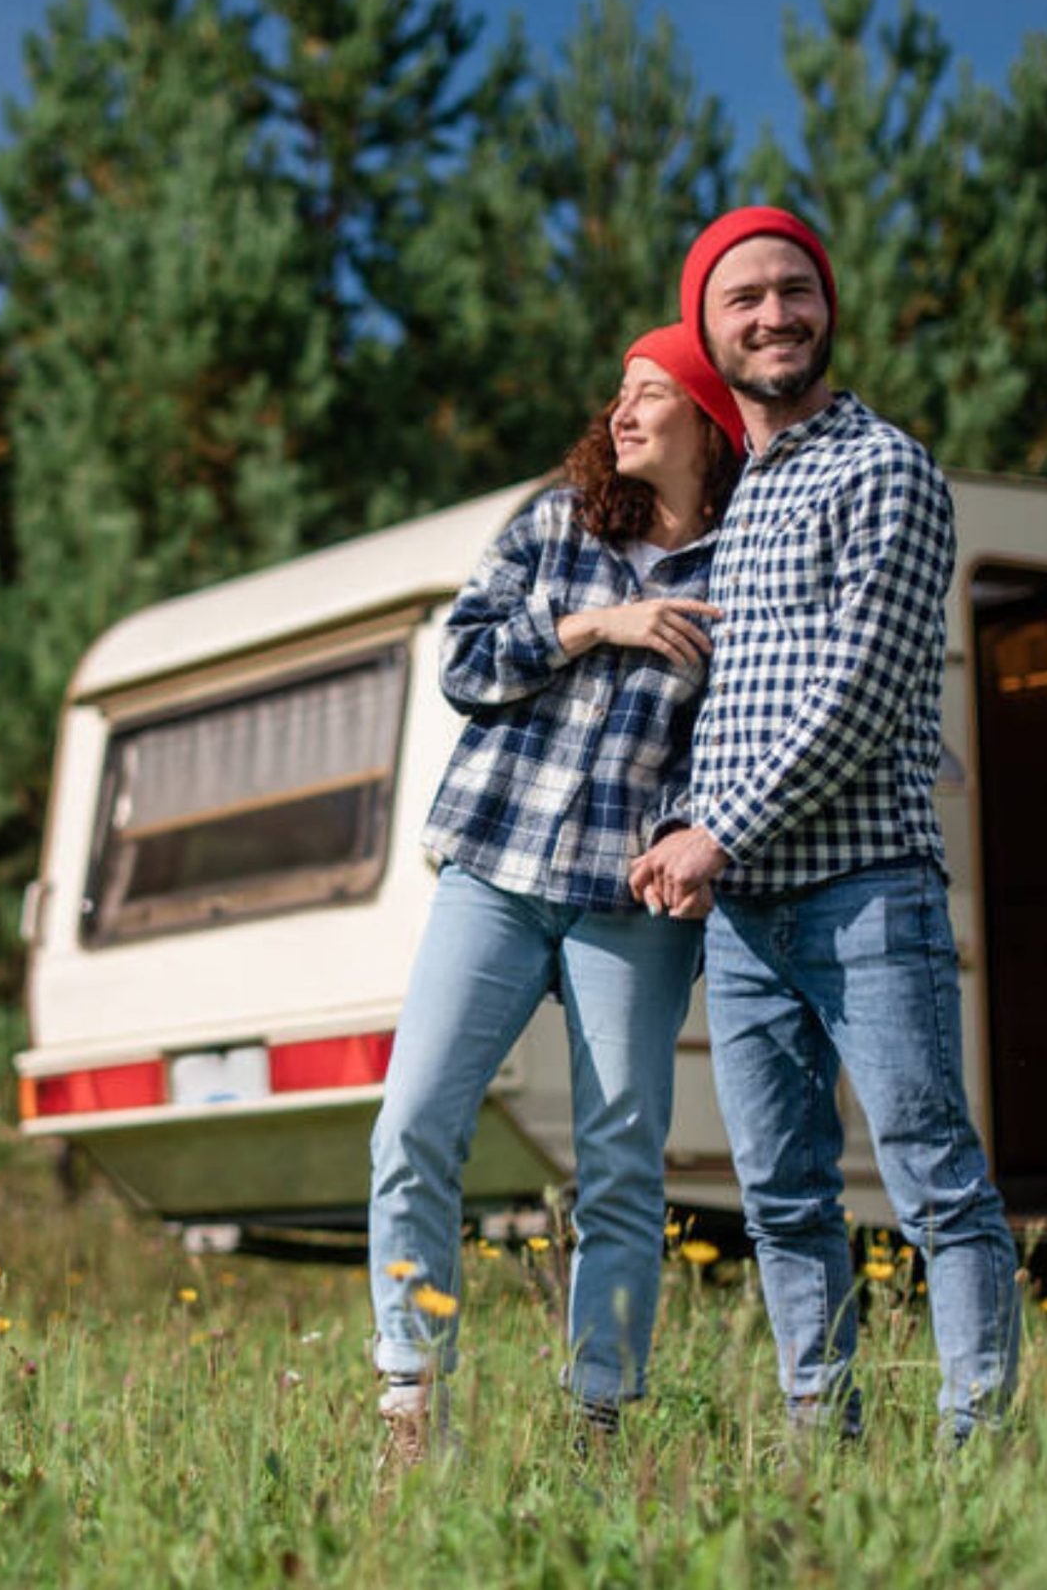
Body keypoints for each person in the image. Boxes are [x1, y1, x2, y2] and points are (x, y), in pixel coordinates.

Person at [630, 207, 1020, 1445]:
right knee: (783, 1203)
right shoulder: (741, 505)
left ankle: (978, 1458)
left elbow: (855, 695)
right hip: (745, 921)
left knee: (934, 1184)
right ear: (708, 329)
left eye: (793, 289)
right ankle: (825, 1456)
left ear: (826, 308)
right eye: (741, 297)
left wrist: (713, 835)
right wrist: (680, 826)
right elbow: (737, 712)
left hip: (866, 892)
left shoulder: (884, 469)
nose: (773, 314)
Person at [368, 326, 745, 1465]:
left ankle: (600, 1421)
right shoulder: (555, 525)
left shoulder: (741, 569)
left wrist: (694, 827)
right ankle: (408, 1399)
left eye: (649, 395)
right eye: (620, 395)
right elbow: (464, 665)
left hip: (628, 900)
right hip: (497, 866)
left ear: (707, 421)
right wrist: (595, 624)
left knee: (620, 1160)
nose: (622, 415)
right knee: (412, 1122)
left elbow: (733, 742)